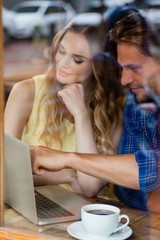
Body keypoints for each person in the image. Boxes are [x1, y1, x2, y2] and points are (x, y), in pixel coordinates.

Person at [30, 12, 160, 213]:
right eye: (122, 67)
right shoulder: (137, 103)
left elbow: (148, 172)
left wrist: (67, 159)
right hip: (130, 215)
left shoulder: (117, 108)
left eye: (134, 68)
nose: (124, 80)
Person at [4, 22, 124, 197]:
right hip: (37, 202)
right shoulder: (27, 92)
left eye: (78, 60)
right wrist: (69, 176)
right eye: (61, 51)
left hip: (89, 211)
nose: (63, 63)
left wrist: (81, 114)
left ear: (98, 67)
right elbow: (6, 173)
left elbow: (90, 187)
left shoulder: (110, 112)